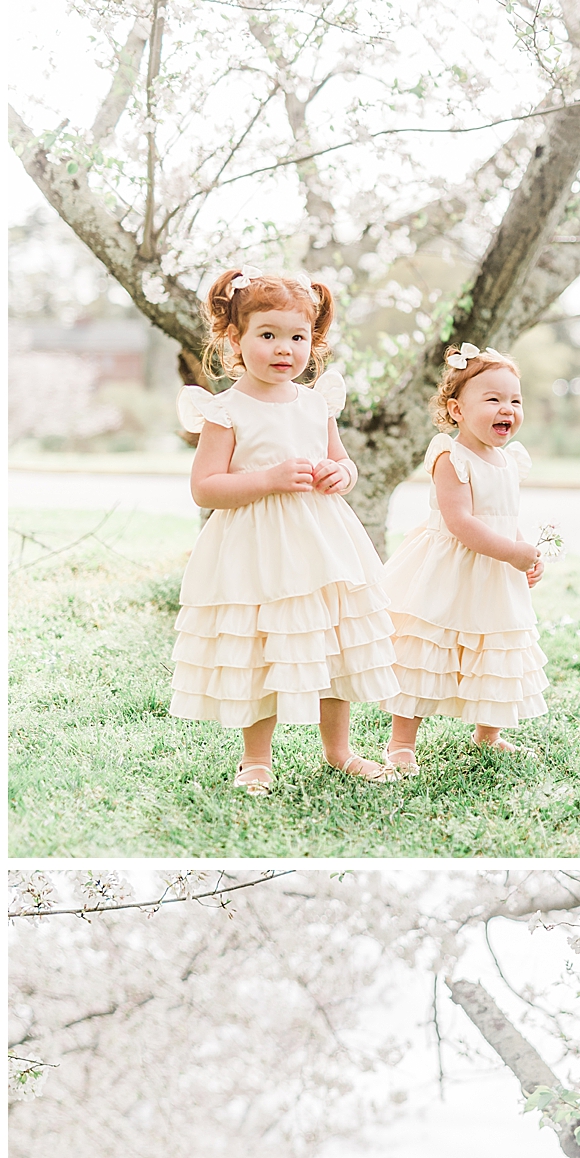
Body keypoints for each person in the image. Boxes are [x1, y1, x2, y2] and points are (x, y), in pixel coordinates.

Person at [172, 267, 399, 791]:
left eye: (297, 337)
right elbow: (205, 487)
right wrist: (269, 478)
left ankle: (338, 750)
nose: (284, 349)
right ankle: (256, 759)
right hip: (257, 549)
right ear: (235, 337)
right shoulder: (226, 410)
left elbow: (342, 463)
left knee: (332, 641)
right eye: (268, 335)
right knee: (263, 647)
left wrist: (340, 473)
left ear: (312, 341)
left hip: (322, 545)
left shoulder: (315, 402)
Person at [380, 345, 549, 774]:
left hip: (494, 573)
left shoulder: (510, 461)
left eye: (514, 400)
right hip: (450, 570)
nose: (506, 408)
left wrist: (524, 552)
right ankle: (401, 742)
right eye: (492, 399)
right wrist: (510, 551)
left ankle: (488, 734)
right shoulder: (450, 456)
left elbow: (504, 518)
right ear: (456, 409)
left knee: (496, 649)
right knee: (428, 649)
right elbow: (461, 522)